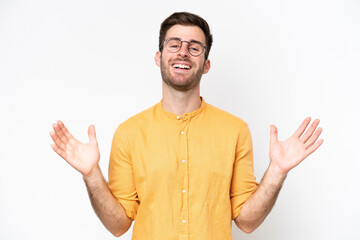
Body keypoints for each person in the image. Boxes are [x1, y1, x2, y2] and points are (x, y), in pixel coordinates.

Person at [49, 12, 323, 239]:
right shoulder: (129, 133)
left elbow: (246, 222)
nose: (183, 53)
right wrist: (91, 174)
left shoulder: (235, 130)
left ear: (205, 64)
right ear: (159, 57)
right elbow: (118, 224)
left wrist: (277, 171)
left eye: (194, 47)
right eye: (174, 44)